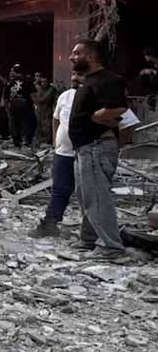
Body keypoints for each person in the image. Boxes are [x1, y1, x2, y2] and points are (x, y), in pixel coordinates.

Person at [68, 40, 128, 260]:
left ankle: (111, 247)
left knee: (97, 197)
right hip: (85, 147)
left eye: (77, 53)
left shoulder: (108, 79)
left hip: (96, 146)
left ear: (90, 56)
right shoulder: (90, 80)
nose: (71, 57)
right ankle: (89, 239)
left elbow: (119, 107)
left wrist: (97, 117)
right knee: (86, 195)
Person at [29, 72, 83, 238]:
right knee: (59, 189)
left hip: (86, 153)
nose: (74, 78)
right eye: (73, 74)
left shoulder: (100, 95)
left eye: (79, 75)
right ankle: (50, 224)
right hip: (63, 152)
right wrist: (56, 141)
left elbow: (127, 123)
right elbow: (56, 119)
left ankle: (91, 232)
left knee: (88, 193)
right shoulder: (65, 96)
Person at [7, 64, 37, 147]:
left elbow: (6, 97)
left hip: (13, 104)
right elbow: (33, 94)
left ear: (14, 71)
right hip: (25, 104)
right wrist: (37, 104)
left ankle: (16, 142)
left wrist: (7, 107)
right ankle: (27, 142)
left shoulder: (10, 82)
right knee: (27, 122)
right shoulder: (28, 81)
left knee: (15, 123)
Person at [33, 72, 59, 146]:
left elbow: (51, 99)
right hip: (40, 110)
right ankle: (40, 141)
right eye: (42, 82)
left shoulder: (51, 89)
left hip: (48, 109)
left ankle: (47, 142)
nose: (43, 83)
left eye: (45, 82)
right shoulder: (39, 88)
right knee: (39, 126)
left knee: (47, 126)